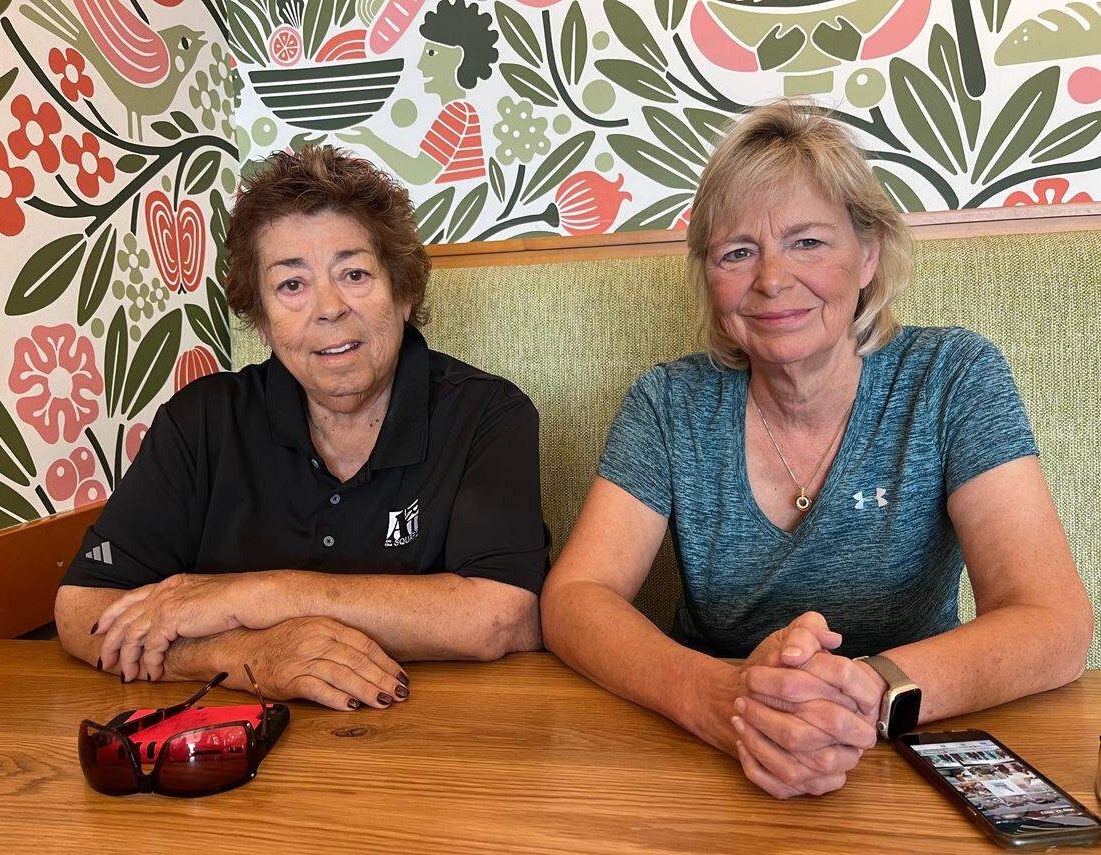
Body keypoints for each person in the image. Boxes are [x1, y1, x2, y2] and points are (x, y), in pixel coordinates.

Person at [540, 99, 1093, 799]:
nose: (772, 279)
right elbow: (575, 598)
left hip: (905, 745)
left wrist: (863, 691)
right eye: (738, 252)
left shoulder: (953, 376)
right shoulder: (667, 402)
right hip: (710, 753)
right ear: (710, 278)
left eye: (807, 242)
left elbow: (1053, 622)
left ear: (868, 254)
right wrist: (718, 698)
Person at [55, 146, 550, 710]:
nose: (329, 308)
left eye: (354, 274)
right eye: (292, 285)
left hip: (441, 732)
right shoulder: (202, 420)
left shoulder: (489, 414)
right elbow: (81, 607)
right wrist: (244, 654)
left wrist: (257, 594)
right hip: (235, 739)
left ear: (404, 292)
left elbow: (504, 617)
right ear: (262, 321)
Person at [335, 0, 497, 185]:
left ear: (457, 57)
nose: (420, 65)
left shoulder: (458, 112)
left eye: (431, 53)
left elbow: (419, 173)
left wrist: (370, 140)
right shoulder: (458, 110)